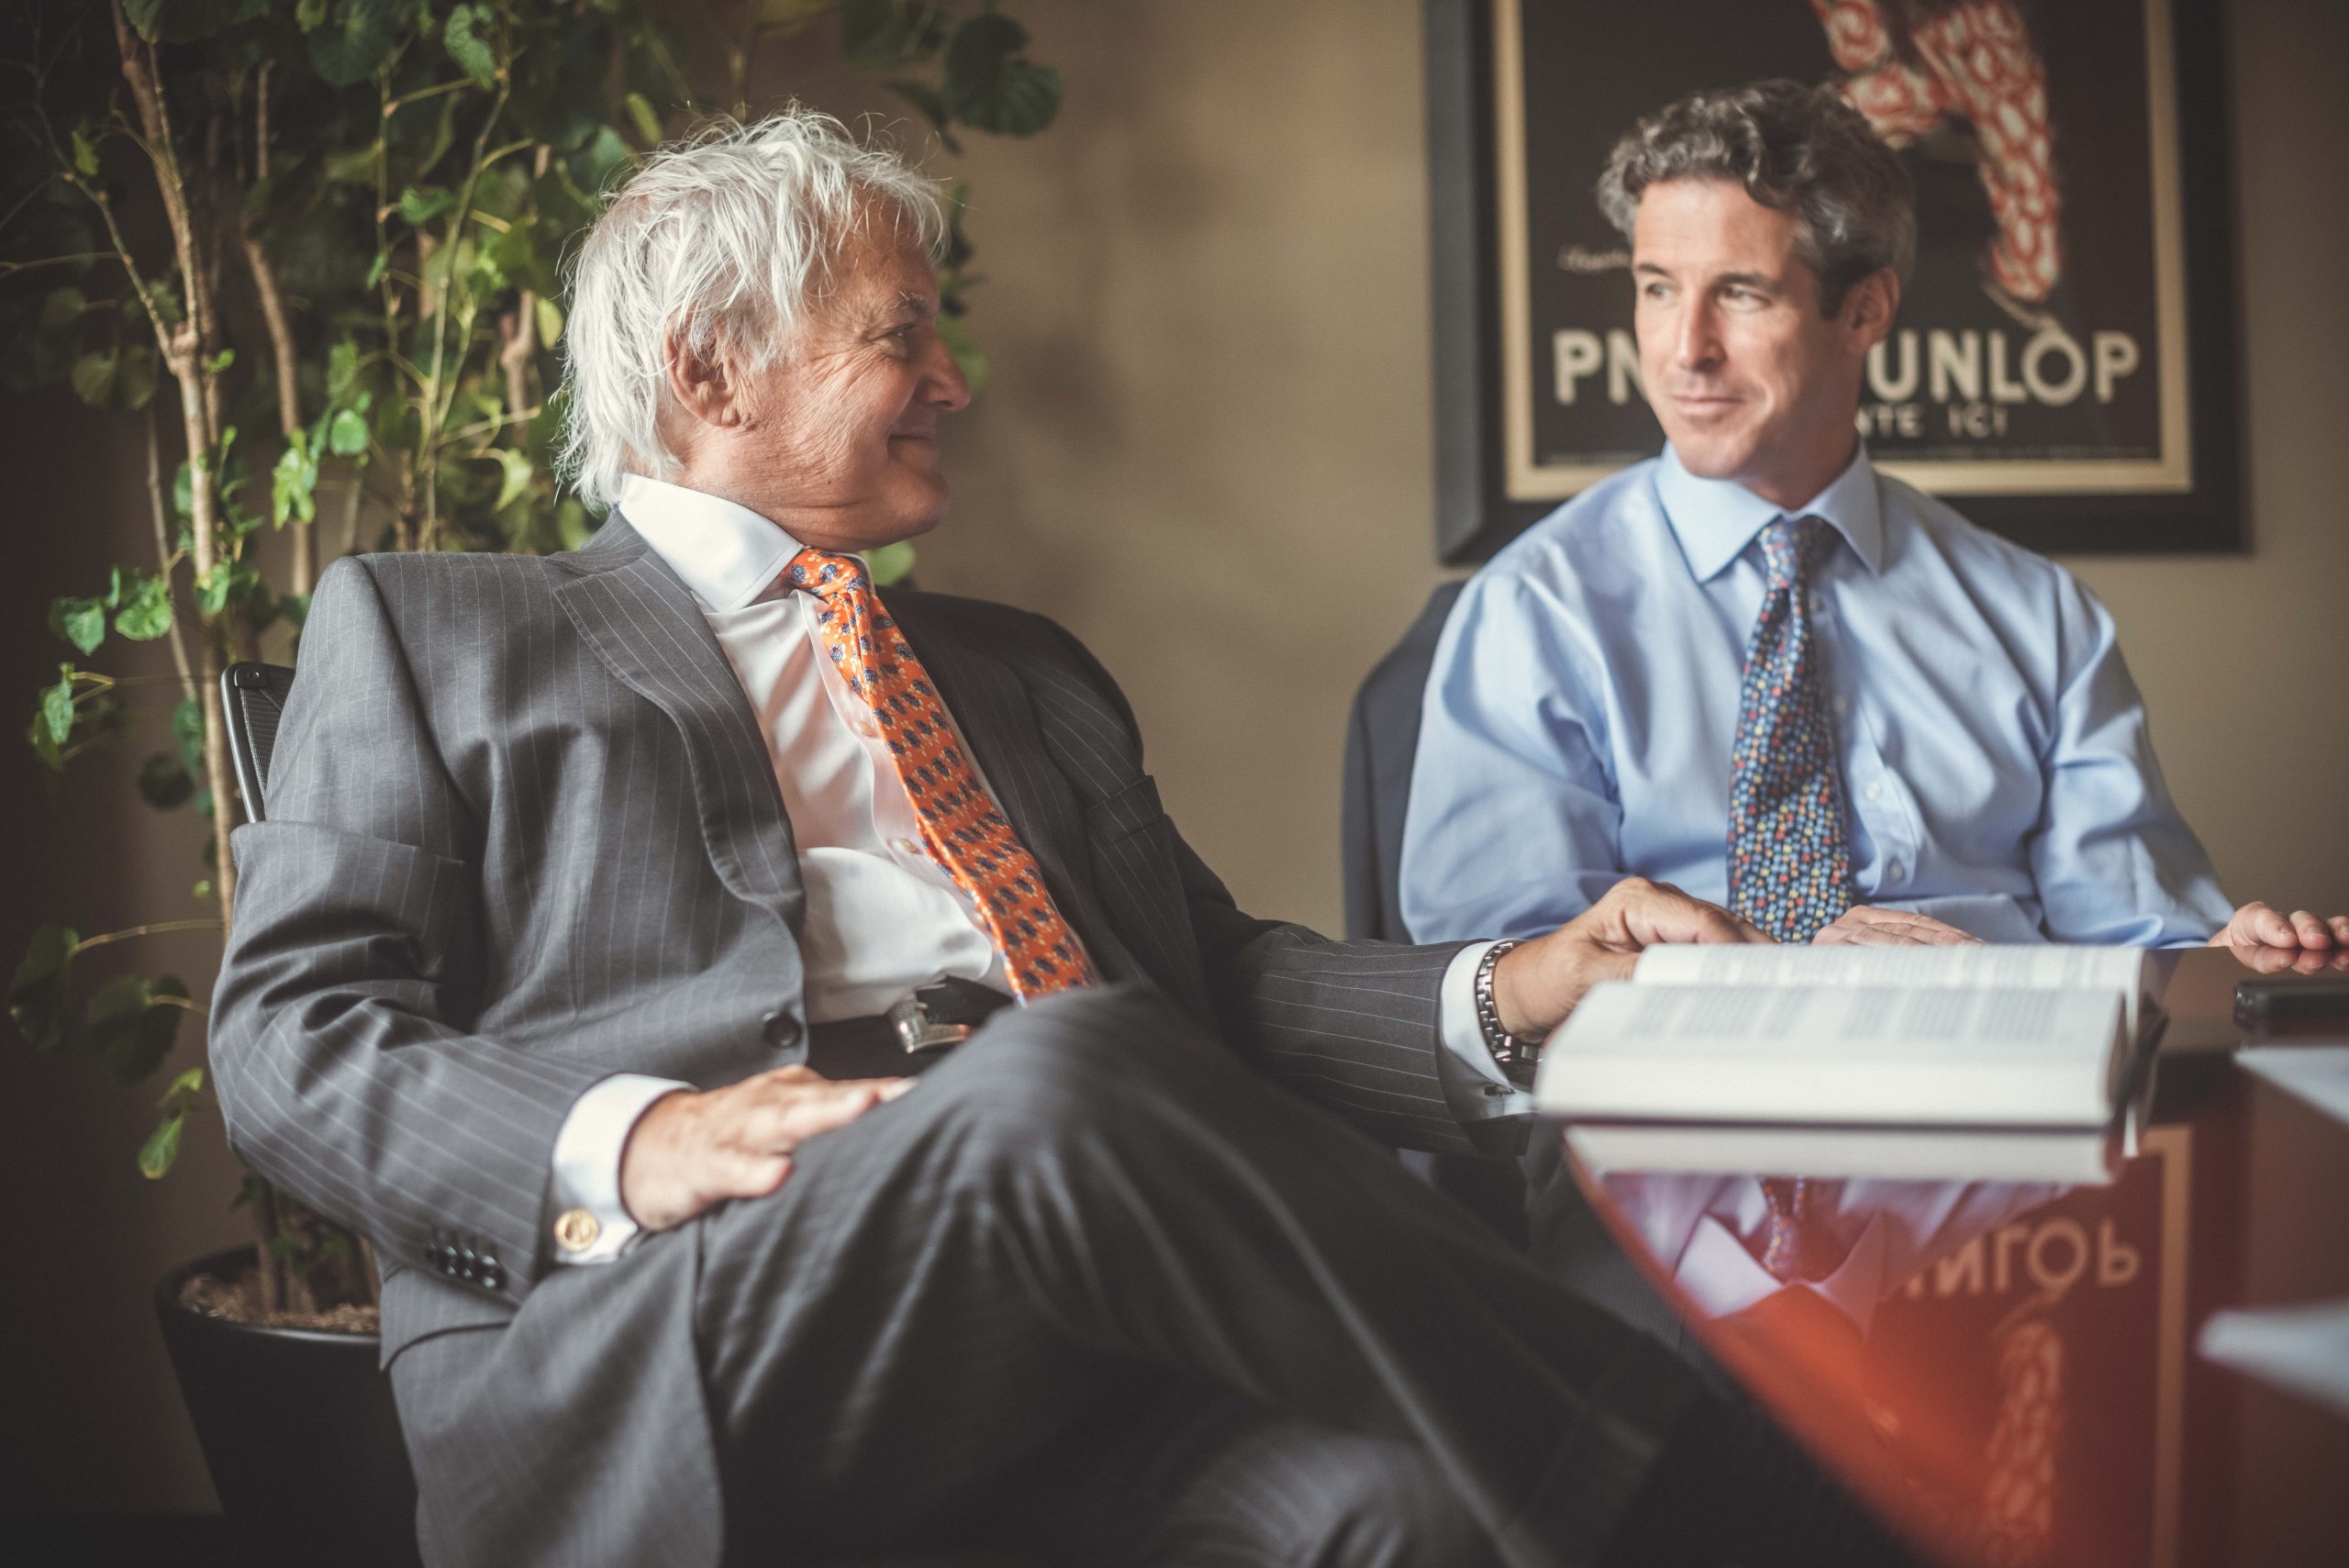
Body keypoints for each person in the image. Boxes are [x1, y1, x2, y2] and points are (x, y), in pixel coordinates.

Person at [210, 114, 1910, 1568]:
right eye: (900, 338)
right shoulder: (442, 632)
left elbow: (1218, 986)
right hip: (656, 1338)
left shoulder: (1021, 674)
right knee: (1051, 1068)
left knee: (1396, 1513)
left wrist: (1519, 988)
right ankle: (1743, 1501)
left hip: (1067, 1321)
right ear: (712, 367)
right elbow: (288, 1030)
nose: (954, 377)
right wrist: (634, 1137)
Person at [1400, 81, 2348, 980]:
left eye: (1739, 292)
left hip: (2003, 1090)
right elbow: (1510, 980)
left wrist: (2223, 951)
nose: (1682, 348)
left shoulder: (2039, 615)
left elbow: (2138, 938)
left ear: (1864, 310)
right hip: (1671, 1110)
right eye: (1655, 287)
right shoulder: (1535, 610)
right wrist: (1779, 983)